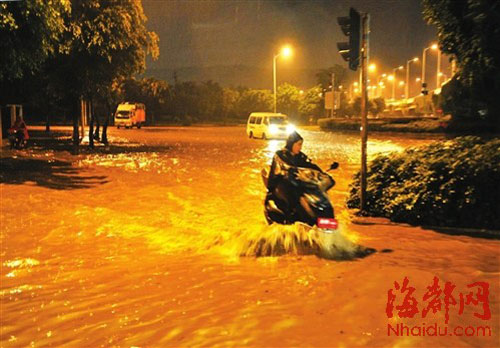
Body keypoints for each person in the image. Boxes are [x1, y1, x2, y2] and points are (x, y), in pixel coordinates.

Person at [266, 131, 323, 218]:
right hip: (283, 184)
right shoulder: (280, 155)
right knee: (294, 197)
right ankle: (290, 216)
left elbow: (309, 165)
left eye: (301, 145)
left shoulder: (301, 156)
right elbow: (278, 170)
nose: (300, 147)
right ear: (291, 144)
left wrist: (320, 173)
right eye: (299, 144)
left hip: (297, 183)